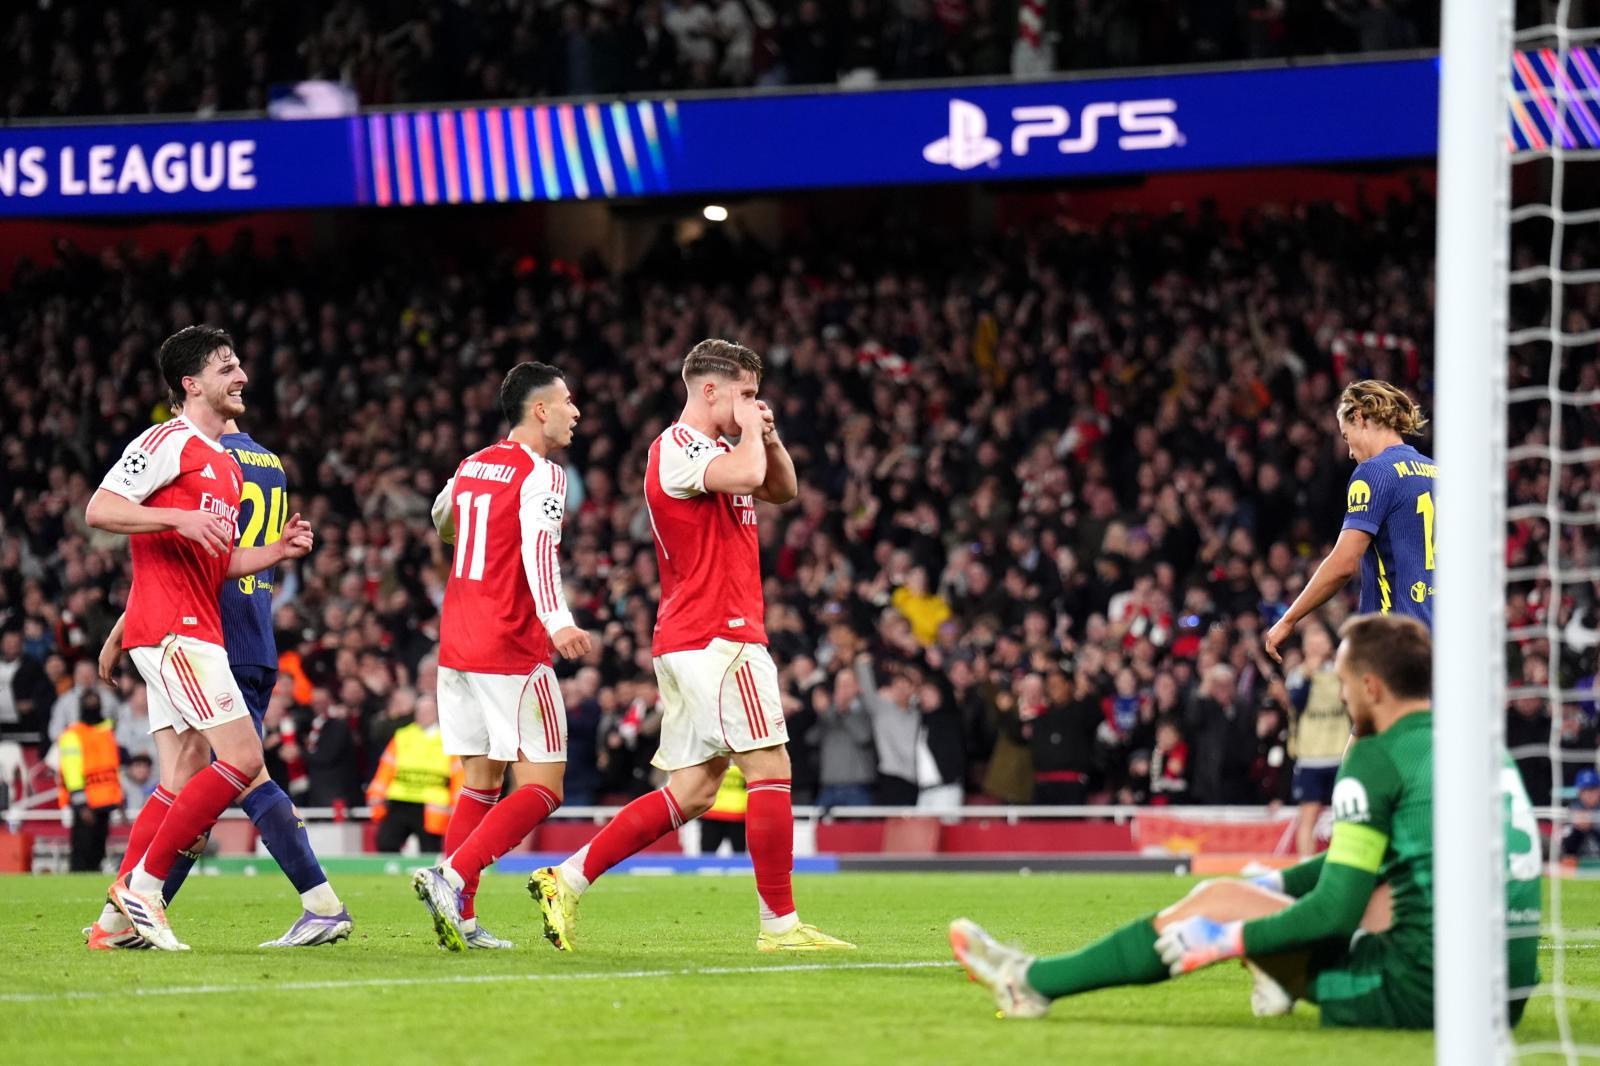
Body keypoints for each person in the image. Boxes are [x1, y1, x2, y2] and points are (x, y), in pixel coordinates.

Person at [950, 614, 1542, 1030]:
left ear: (1371, 686)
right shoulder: (1476, 743)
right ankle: (1272, 958)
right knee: (1324, 884)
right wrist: (1275, 887)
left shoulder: (1373, 753)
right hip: (1499, 997)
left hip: (1423, 998)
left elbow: (1335, 911)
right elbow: (1377, 866)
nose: (1338, 696)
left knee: (1220, 899)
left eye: (1340, 683)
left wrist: (1227, 938)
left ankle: (1032, 982)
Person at [531, 339, 853, 952]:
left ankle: (565, 879)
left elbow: (779, 489)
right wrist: (755, 440)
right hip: (718, 635)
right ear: (710, 391)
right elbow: (751, 476)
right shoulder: (677, 448)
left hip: (695, 637)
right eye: (747, 394)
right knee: (771, 767)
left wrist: (769, 434)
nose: (756, 405)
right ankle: (780, 927)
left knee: (695, 790)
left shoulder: (723, 448)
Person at [85, 406, 352, 950]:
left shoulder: (207, 455)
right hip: (246, 629)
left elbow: (187, 562)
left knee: (232, 773)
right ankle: (121, 917)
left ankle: (140, 897)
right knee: (192, 777)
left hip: (209, 629)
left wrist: (120, 630)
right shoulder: (269, 462)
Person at [411, 362, 591, 952]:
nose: (575, 412)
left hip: (457, 643)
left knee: (481, 782)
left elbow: (442, 521)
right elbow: (541, 551)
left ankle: (459, 916)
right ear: (540, 410)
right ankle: (451, 876)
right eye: (567, 402)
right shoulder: (544, 473)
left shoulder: (471, 465)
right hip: (511, 643)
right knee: (545, 786)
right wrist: (558, 622)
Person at [1265, 380, 1437, 664]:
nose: (1348, 451)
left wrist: (1289, 619)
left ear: (1359, 417)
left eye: (1346, 437)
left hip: (1392, 640)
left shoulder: (1373, 473)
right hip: (1443, 640)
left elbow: (1344, 563)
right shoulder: (1437, 472)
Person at [1284, 623, 1350, 856]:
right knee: (1308, 817)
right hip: (1311, 756)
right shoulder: (1298, 674)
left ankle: (1342, 864)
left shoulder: (1343, 672)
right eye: (1311, 643)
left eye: (1320, 641)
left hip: (1340, 754)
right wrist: (1309, 674)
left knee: (1345, 816)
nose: (1316, 646)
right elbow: (1296, 703)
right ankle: (1305, 865)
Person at [368, 696, 461, 852]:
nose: (423, 715)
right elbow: (386, 769)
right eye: (420, 711)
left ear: (436, 713)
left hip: (432, 805)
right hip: (400, 801)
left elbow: (459, 777)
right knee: (386, 843)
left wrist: (457, 806)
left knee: (430, 851)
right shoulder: (402, 736)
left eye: (428, 711)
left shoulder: (448, 740)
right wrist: (376, 794)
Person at [56, 693, 122, 872]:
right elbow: (71, 772)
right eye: (89, 704)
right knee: (82, 851)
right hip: (86, 802)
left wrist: (117, 800)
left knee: (98, 851)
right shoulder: (73, 735)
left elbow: (113, 768)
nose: (93, 707)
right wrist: (81, 804)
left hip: (106, 801)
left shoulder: (107, 732)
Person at [1563, 768, 1600, 861]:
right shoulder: (1572, 809)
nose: (1589, 794)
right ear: (1579, 792)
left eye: (1592, 789)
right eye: (1585, 790)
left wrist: (1592, 823)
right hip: (1578, 861)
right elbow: (1565, 845)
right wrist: (1577, 828)